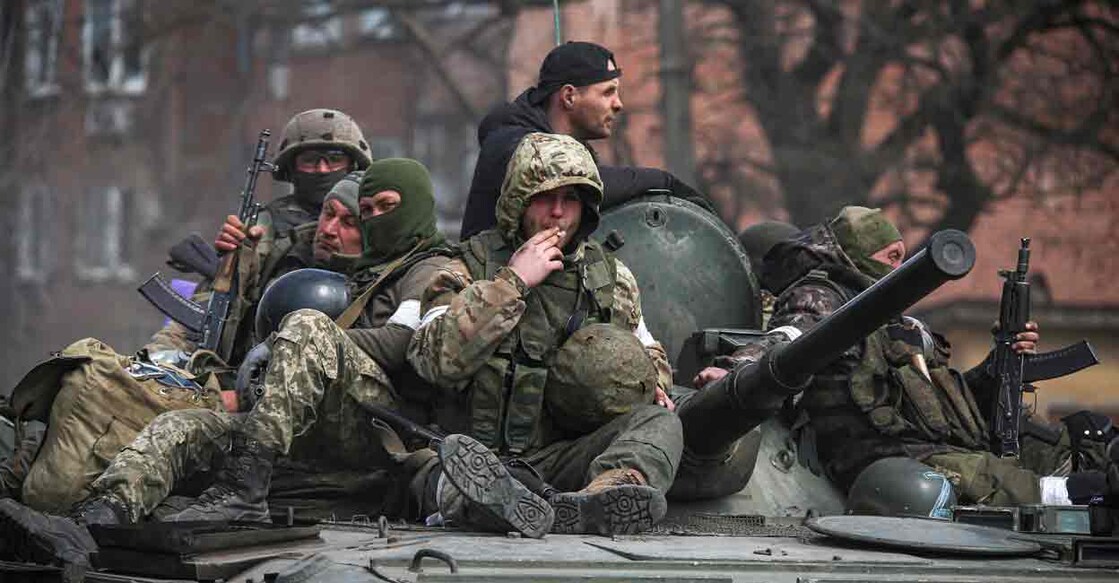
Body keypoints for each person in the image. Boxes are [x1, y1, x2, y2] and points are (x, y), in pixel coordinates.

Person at [0, 159, 461, 571]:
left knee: (306, 326)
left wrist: (299, 343)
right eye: (362, 210)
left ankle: (243, 493)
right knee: (182, 428)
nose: (367, 221)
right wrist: (236, 273)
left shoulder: (429, 270)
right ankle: (93, 522)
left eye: (377, 211)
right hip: (298, 440)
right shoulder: (356, 272)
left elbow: (418, 347)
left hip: (375, 435)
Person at [2, 173, 371, 514]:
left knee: (161, 423)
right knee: (95, 375)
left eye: (349, 221)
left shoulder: (377, 291)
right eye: (328, 214)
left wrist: (238, 397)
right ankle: (40, 473)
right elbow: (189, 328)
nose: (329, 229)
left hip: (279, 426)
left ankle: (77, 503)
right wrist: (235, 270)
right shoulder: (274, 255)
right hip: (221, 390)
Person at [711, 206, 1112, 505]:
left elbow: (949, 402)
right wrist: (735, 371)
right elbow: (788, 337)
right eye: (890, 257)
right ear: (856, 255)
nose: (899, 267)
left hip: (938, 445)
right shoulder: (826, 298)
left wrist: (999, 367)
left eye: (903, 257)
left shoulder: (899, 324)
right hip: (881, 454)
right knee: (1050, 488)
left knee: (1085, 438)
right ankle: (1074, 494)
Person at [409, 132, 683, 535]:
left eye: (571, 199)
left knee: (659, 422)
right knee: (439, 476)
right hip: (466, 456)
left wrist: (653, 384)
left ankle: (604, 497)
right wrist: (513, 282)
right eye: (544, 197)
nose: (557, 212)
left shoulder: (610, 279)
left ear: (587, 208)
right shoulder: (464, 266)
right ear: (517, 201)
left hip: (558, 455)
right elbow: (433, 360)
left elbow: (648, 353)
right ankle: (494, 505)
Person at [460, 41, 712, 239]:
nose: (618, 104)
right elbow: (576, 179)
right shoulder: (509, 143)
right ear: (569, 97)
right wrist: (661, 181)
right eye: (608, 92)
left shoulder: (574, 152)